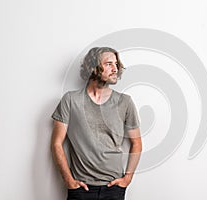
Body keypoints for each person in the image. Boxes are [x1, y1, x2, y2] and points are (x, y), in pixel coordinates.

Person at [51, 47, 142, 200]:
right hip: (81, 188)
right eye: (108, 64)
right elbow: (56, 143)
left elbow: (137, 143)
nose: (115, 69)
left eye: (116, 64)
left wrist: (127, 178)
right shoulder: (71, 100)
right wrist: (68, 180)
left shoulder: (125, 102)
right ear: (93, 67)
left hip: (114, 187)